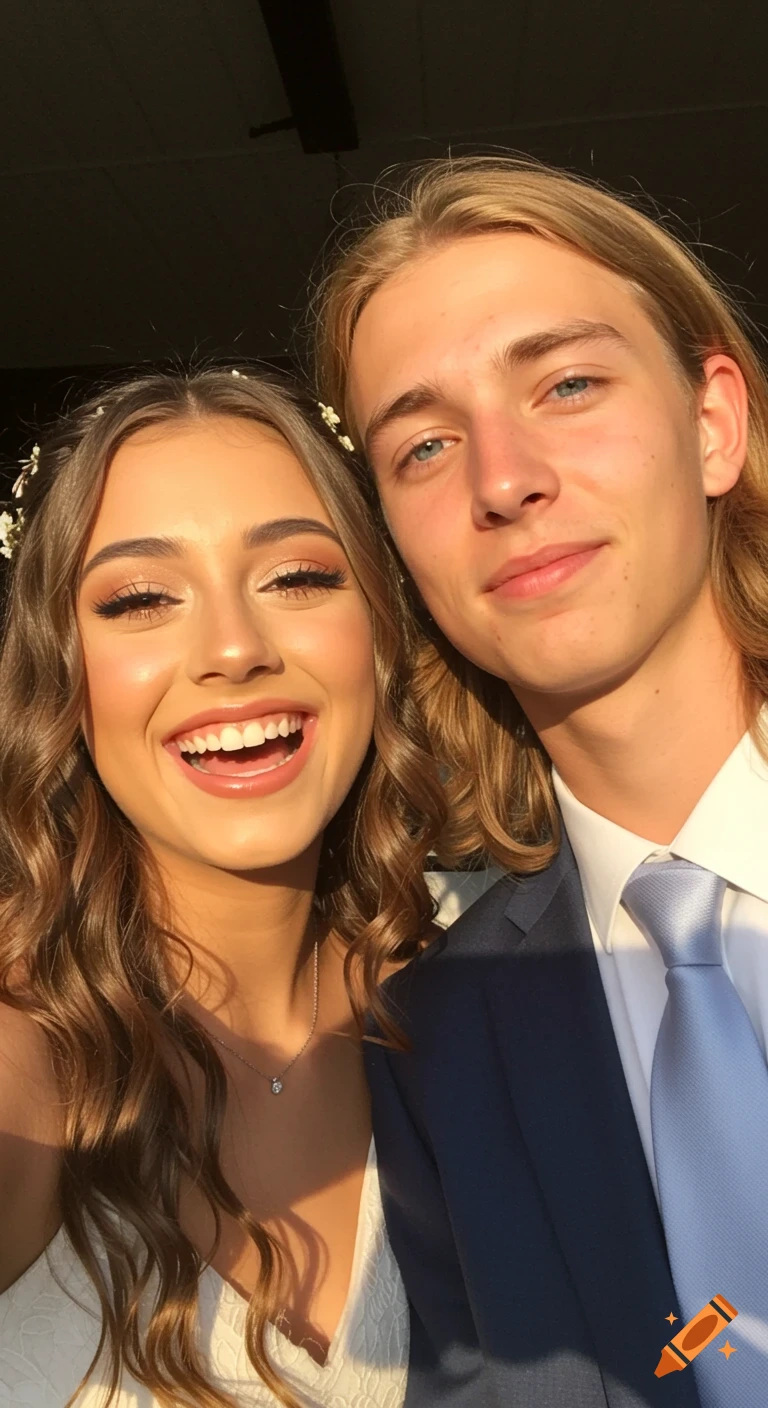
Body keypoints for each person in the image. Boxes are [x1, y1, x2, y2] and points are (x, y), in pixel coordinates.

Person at [312, 155, 768, 1407]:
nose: (501, 479)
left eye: (567, 383)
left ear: (712, 422)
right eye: (422, 445)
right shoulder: (432, 1043)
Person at [0, 368, 447, 1408]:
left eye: (297, 577)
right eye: (142, 598)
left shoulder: (481, 973)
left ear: (379, 631)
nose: (237, 650)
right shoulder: (30, 1039)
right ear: (61, 677)